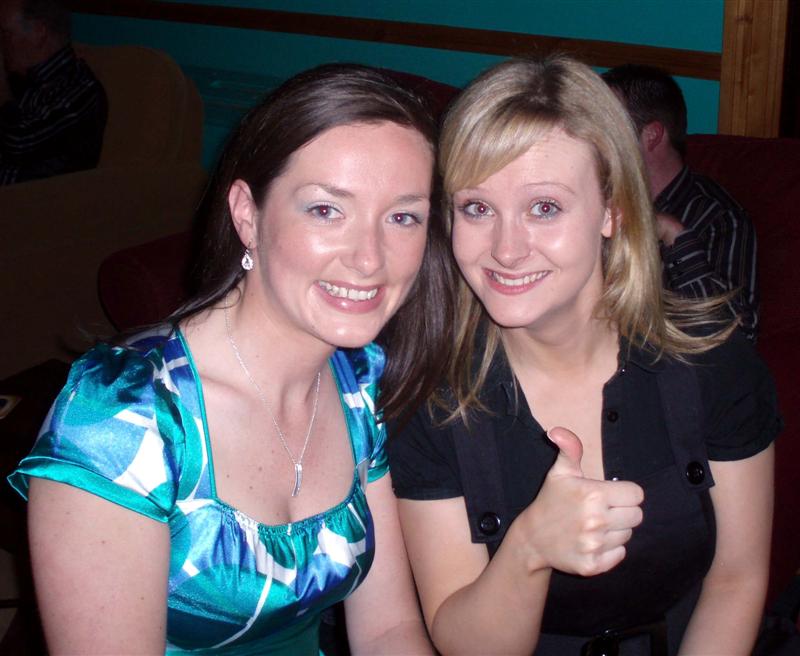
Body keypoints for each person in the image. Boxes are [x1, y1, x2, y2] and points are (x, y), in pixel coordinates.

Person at [8, 63, 452, 654]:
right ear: (247, 214)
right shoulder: (124, 416)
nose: (370, 258)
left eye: (402, 217)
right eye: (326, 210)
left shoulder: (358, 383)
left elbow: (389, 630)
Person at [387, 56, 780, 656]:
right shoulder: (427, 395)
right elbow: (466, 643)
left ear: (613, 210)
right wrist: (529, 548)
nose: (506, 250)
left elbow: (736, 581)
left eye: (544, 207)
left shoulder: (712, 359)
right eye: (477, 208)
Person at [602, 63, 759, 342]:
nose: (592, 137)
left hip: (656, 359)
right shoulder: (593, 193)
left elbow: (740, 335)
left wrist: (674, 236)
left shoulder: (719, 218)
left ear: (651, 136)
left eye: (607, 126)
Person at [0, 0, 107, 184]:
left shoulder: (79, 89)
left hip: (46, 197)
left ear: (39, 32)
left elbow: (19, 141)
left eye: (6, 33)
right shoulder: (25, 81)